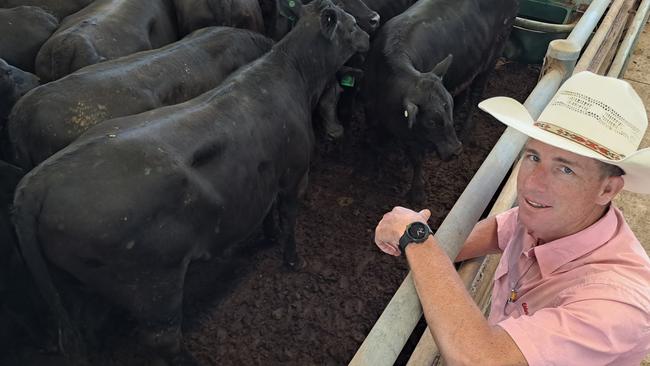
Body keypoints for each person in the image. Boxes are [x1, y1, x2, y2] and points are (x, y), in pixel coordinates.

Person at [374, 71, 650, 365]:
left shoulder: (616, 305)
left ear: (607, 188)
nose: (531, 184)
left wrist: (417, 239)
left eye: (565, 169)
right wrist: (426, 257)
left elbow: (482, 360)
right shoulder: (553, 219)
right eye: (533, 157)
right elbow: (499, 231)